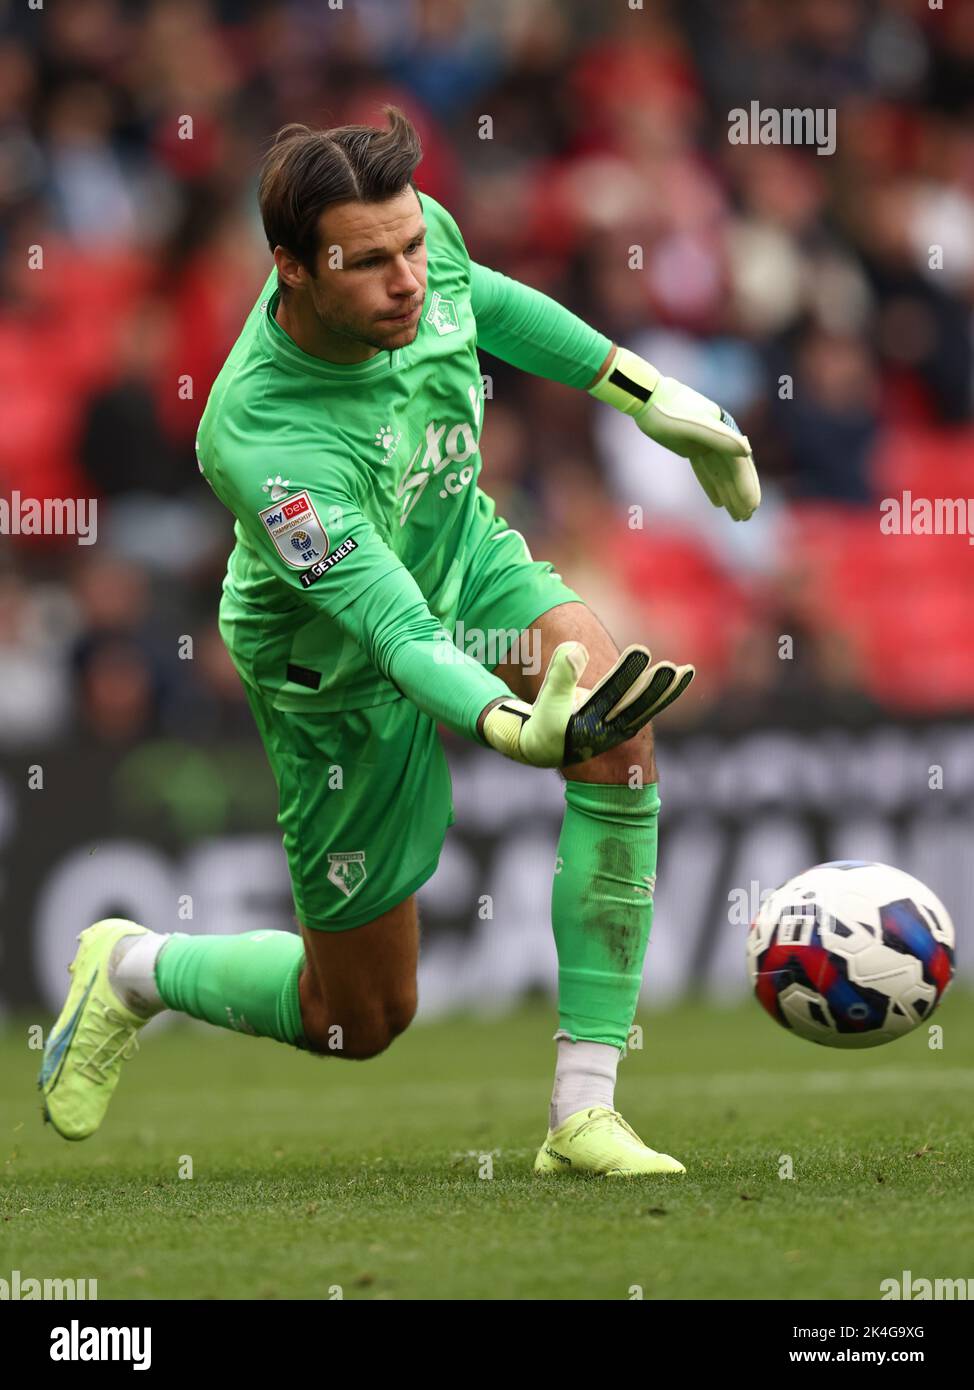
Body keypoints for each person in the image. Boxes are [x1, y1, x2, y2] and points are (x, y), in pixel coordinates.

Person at [40, 108, 759, 1177]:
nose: (408, 278)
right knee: (358, 1017)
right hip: (336, 668)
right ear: (289, 267)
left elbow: (484, 306)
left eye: (413, 246)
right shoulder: (258, 434)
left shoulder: (414, 241)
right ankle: (132, 966)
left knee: (613, 728)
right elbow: (394, 630)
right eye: (370, 263)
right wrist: (516, 729)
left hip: (463, 547)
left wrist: (643, 391)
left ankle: (582, 1111)